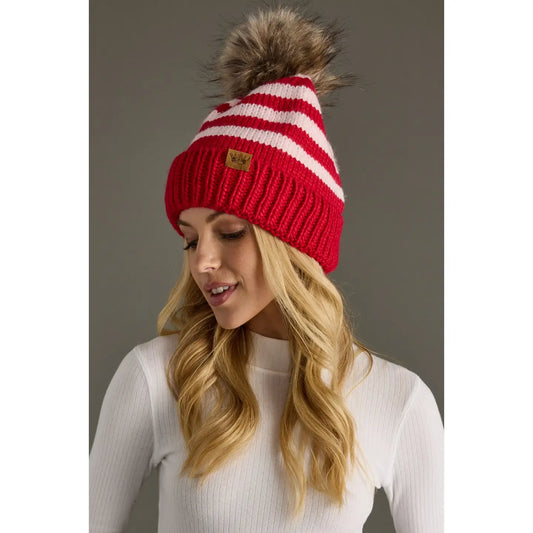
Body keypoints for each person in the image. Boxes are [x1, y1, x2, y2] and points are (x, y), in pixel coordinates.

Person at [89, 6, 443, 533]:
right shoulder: (157, 378)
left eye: (230, 231)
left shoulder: (398, 400)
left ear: (294, 246)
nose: (202, 261)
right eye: (190, 239)